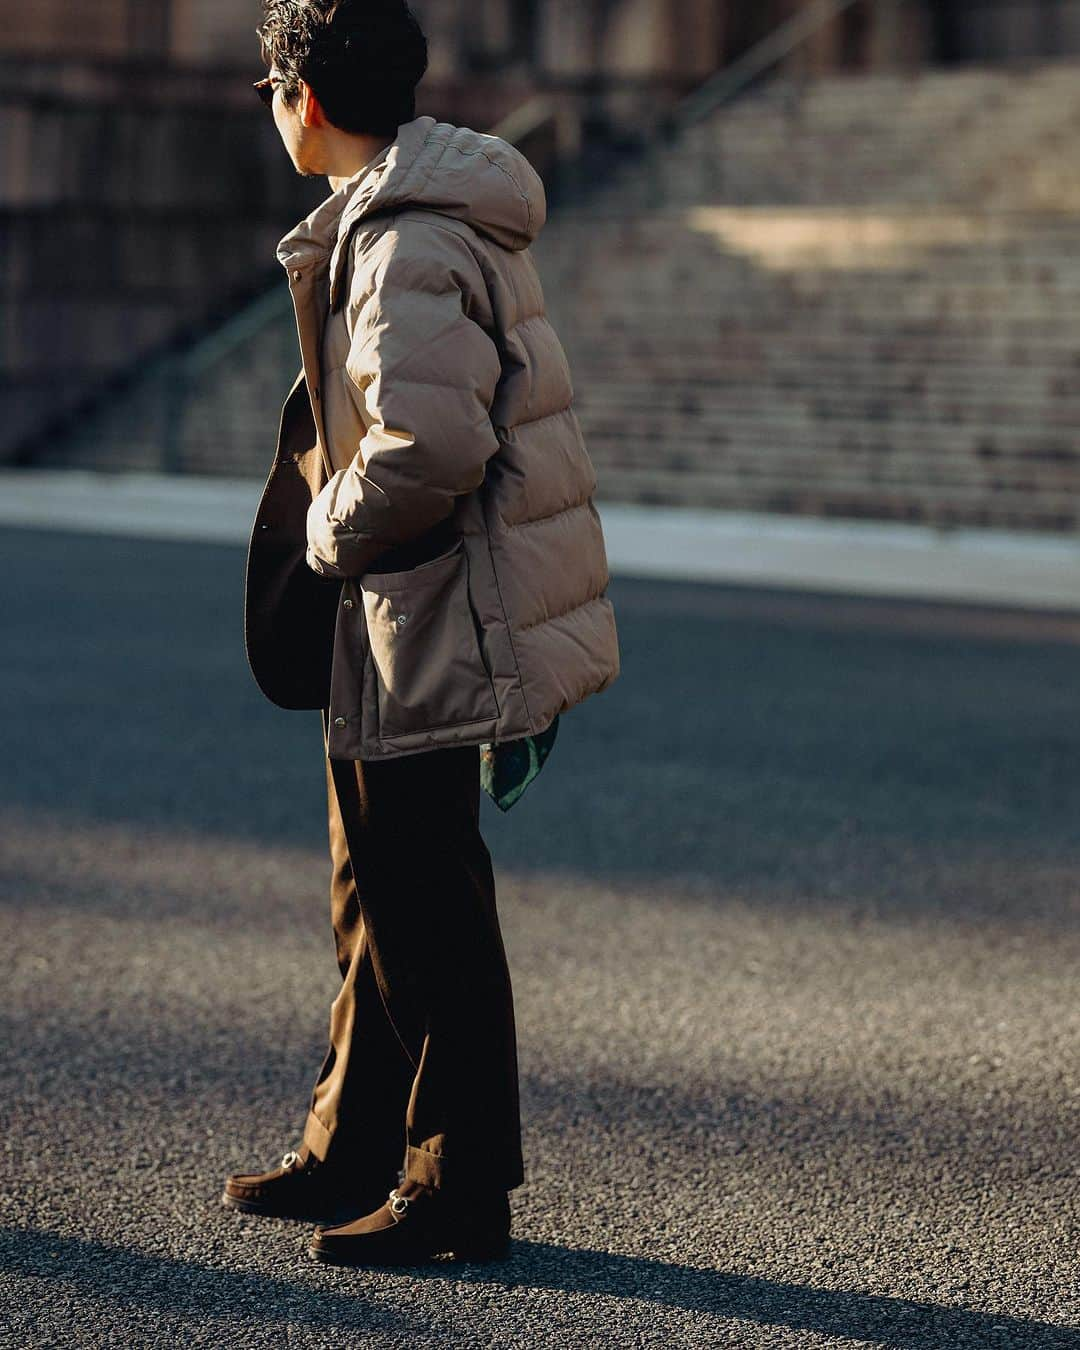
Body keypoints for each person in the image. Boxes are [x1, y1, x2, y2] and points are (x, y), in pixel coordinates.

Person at [225, 0, 620, 1266]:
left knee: (424, 902)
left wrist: (324, 533)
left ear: (309, 98)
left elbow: (430, 447)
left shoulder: (403, 242)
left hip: (431, 610)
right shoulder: (407, 215)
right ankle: (351, 1141)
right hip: (404, 612)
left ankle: (459, 1186)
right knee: (374, 890)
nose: (267, 107)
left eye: (269, 84)